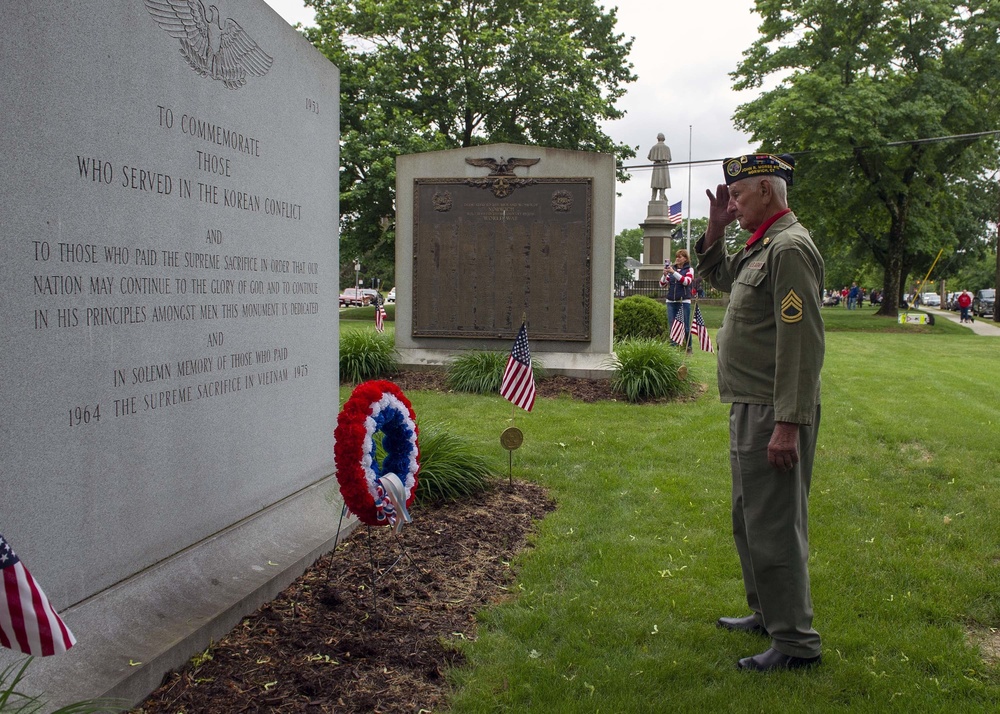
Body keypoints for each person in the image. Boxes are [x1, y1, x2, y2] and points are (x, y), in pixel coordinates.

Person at [697, 153, 824, 672]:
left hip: (774, 412)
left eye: (739, 195)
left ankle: (795, 643)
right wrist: (716, 226)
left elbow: (802, 345)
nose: (733, 203)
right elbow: (721, 276)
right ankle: (767, 614)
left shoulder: (789, 248)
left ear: (767, 192)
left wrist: (788, 425)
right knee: (749, 522)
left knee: (774, 527)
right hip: (751, 405)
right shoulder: (763, 246)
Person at [660, 249, 694, 349]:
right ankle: (673, 347)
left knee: (686, 327)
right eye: (677, 256)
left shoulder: (689, 270)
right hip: (671, 301)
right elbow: (662, 284)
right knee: (672, 326)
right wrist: (665, 275)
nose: (678, 259)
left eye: (680, 257)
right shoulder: (671, 270)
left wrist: (673, 272)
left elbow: (686, 282)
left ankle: (688, 346)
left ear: (685, 259)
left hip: (683, 301)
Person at [647, 133, 672, 201]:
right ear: (663, 139)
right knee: (662, 184)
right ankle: (661, 198)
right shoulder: (667, 148)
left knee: (655, 184)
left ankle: (653, 198)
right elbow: (669, 158)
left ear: (657, 138)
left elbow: (649, 157)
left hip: (656, 166)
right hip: (663, 167)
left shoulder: (654, 147)